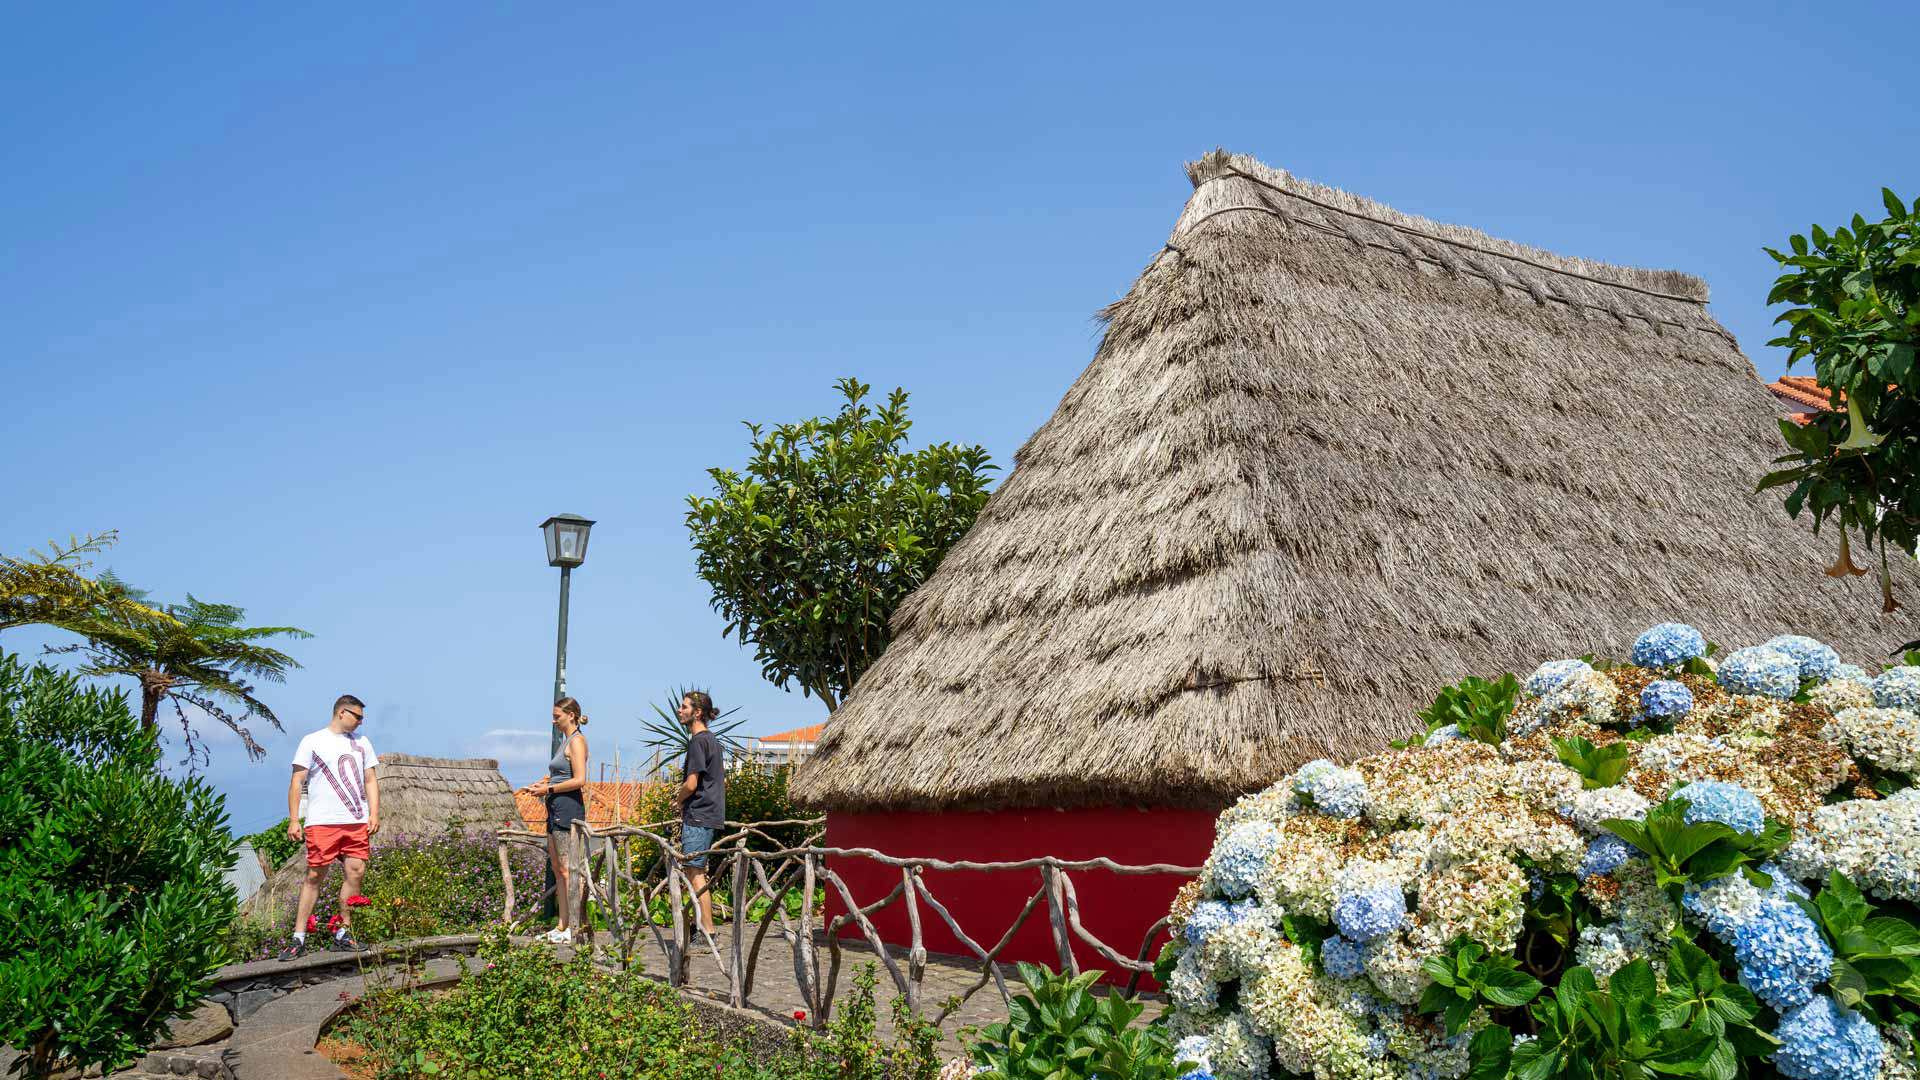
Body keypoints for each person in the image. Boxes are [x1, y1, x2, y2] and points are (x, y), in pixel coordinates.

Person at [278, 694, 379, 960]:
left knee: (356, 871)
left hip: (355, 820)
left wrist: (374, 813)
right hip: (322, 821)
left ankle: (343, 932)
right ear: (342, 712)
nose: (361, 722)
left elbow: (370, 779)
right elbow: (297, 781)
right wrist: (294, 819)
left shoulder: (363, 742)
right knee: (314, 876)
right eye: (357, 716)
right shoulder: (312, 741)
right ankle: (299, 937)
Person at [523, 697, 589, 944]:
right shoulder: (565, 742)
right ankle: (563, 925)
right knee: (558, 869)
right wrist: (543, 784)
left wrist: (548, 790)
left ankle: (576, 925)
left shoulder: (577, 741)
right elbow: (561, 775)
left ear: (571, 715)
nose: (553, 721)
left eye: (557, 716)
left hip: (568, 811)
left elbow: (580, 779)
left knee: (570, 869)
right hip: (554, 811)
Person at [672, 690, 726, 937]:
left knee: (695, 873)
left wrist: (678, 800)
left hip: (699, 814)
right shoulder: (712, 740)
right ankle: (701, 927)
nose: (679, 710)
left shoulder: (697, 742)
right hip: (709, 813)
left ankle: (707, 930)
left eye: (684, 707)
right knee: (697, 871)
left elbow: (691, 783)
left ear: (698, 712)